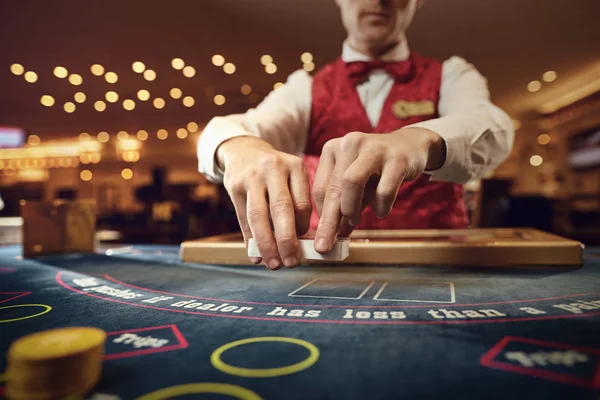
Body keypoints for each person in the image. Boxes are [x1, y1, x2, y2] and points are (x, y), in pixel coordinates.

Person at [197, 0, 514, 270]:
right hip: (327, 268)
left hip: (437, 267)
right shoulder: (305, 88)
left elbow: (492, 126)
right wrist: (237, 147)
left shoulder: (452, 74)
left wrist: (417, 140)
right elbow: (227, 129)